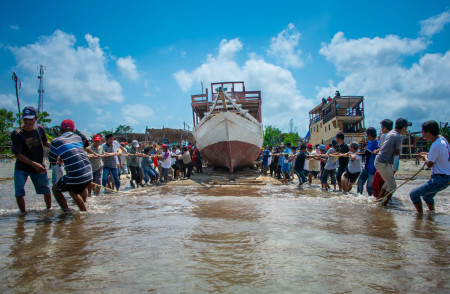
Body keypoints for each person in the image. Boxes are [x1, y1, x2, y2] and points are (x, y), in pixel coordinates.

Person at [11, 106, 52, 213]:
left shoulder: (40, 129)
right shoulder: (17, 134)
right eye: (25, 119)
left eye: (30, 119)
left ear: (36, 118)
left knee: (46, 190)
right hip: (22, 167)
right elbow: (17, 154)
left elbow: (45, 143)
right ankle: (22, 214)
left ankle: (48, 210)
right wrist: (34, 164)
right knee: (19, 192)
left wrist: (58, 149)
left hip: (39, 166)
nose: (28, 122)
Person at [48, 119, 93, 213]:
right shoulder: (78, 138)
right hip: (89, 173)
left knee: (56, 189)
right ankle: (84, 212)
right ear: (73, 130)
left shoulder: (55, 141)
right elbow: (74, 152)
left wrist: (58, 161)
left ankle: (67, 212)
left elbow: (52, 160)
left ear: (60, 130)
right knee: (74, 190)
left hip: (75, 176)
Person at [410, 121, 450, 213]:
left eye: (423, 132)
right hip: (445, 177)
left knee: (413, 194)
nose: (422, 134)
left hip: (440, 178)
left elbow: (429, 164)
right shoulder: (442, 139)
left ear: (428, 133)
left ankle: (420, 216)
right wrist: (428, 154)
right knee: (427, 196)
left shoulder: (436, 145)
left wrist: (424, 157)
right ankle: (432, 214)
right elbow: (439, 154)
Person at [374, 118, 408, 206]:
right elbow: (397, 152)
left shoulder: (391, 133)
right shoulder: (397, 136)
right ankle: (383, 205)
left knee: (387, 184)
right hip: (383, 163)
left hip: (381, 161)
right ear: (404, 127)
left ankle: (378, 201)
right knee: (393, 187)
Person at [357, 127, 379, 196]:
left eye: (367, 135)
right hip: (366, 167)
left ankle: (371, 200)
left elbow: (367, 153)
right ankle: (359, 197)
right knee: (360, 182)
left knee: (369, 187)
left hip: (373, 169)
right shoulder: (369, 142)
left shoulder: (377, 143)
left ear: (369, 135)